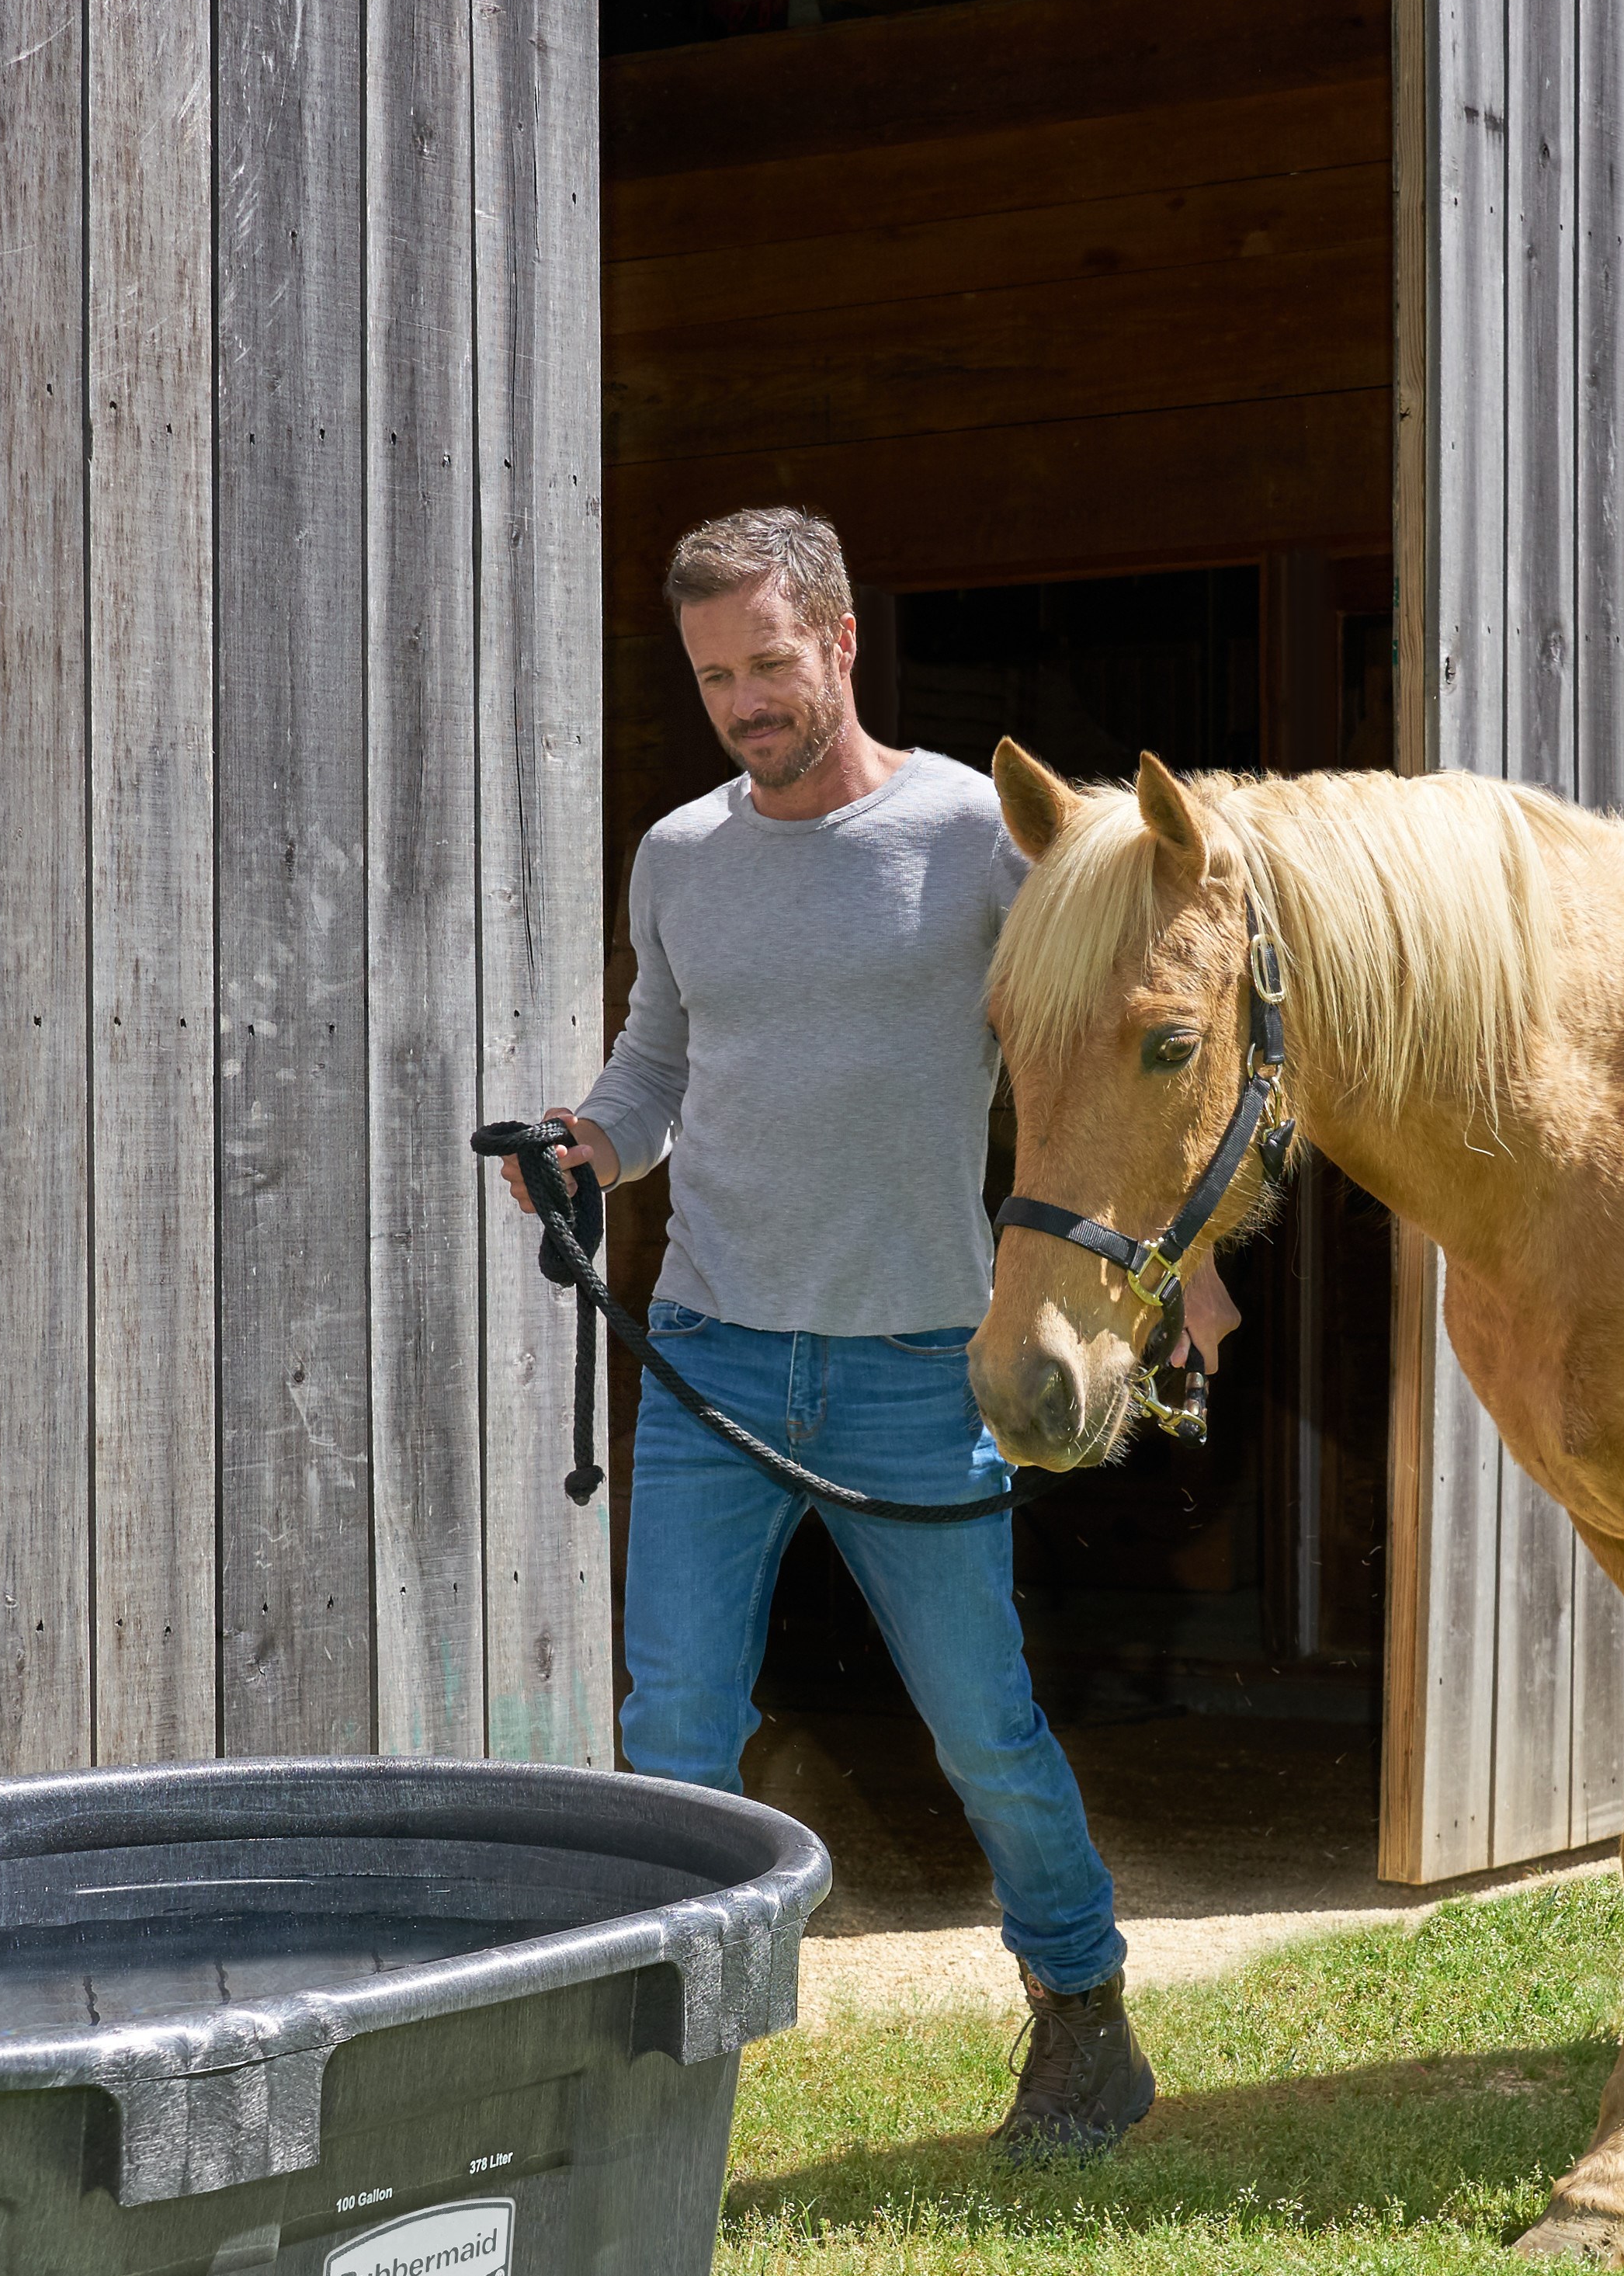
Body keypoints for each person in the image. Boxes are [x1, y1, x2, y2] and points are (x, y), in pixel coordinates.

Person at [508, 506, 1227, 2160]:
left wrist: (1177, 1267)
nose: (745, 702)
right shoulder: (682, 856)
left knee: (981, 1724)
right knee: (675, 1735)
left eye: (770, 664)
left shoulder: (982, 837)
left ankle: (1084, 2015)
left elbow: (1120, 1034)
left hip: (917, 1361)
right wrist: (595, 1146)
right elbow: (656, 1065)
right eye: (713, 678)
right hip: (713, 1357)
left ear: (839, 643)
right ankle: (664, 2073)